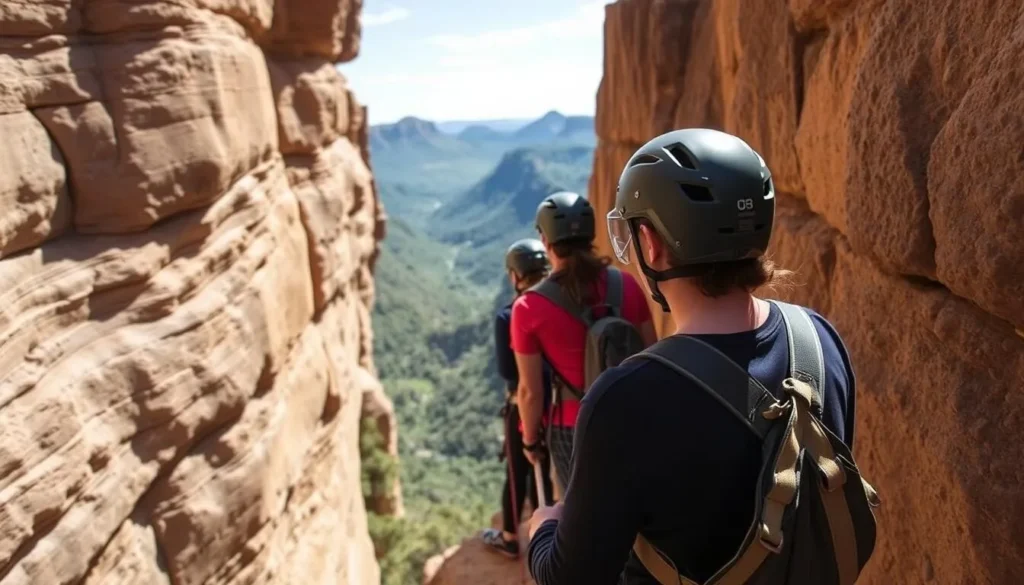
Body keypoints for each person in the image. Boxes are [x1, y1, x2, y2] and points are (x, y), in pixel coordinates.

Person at [526, 129, 863, 584]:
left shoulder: (624, 403)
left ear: (651, 243)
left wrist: (543, 527)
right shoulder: (819, 340)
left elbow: (569, 578)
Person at [512, 191, 657, 493]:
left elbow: (529, 392)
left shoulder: (528, 308)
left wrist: (528, 439)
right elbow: (652, 354)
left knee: (582, 515)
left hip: (571, 427)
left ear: (546, 242)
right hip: (631, 413)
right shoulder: (626, 285)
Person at [480, 238, 556, 558]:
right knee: (547, 467)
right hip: (561, 402)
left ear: (515, 275)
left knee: (517, 470)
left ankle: (511, 538)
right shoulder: (562, 302)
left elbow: (509, 374)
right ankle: (549, 535)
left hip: (523, 403)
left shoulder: (509, 315)